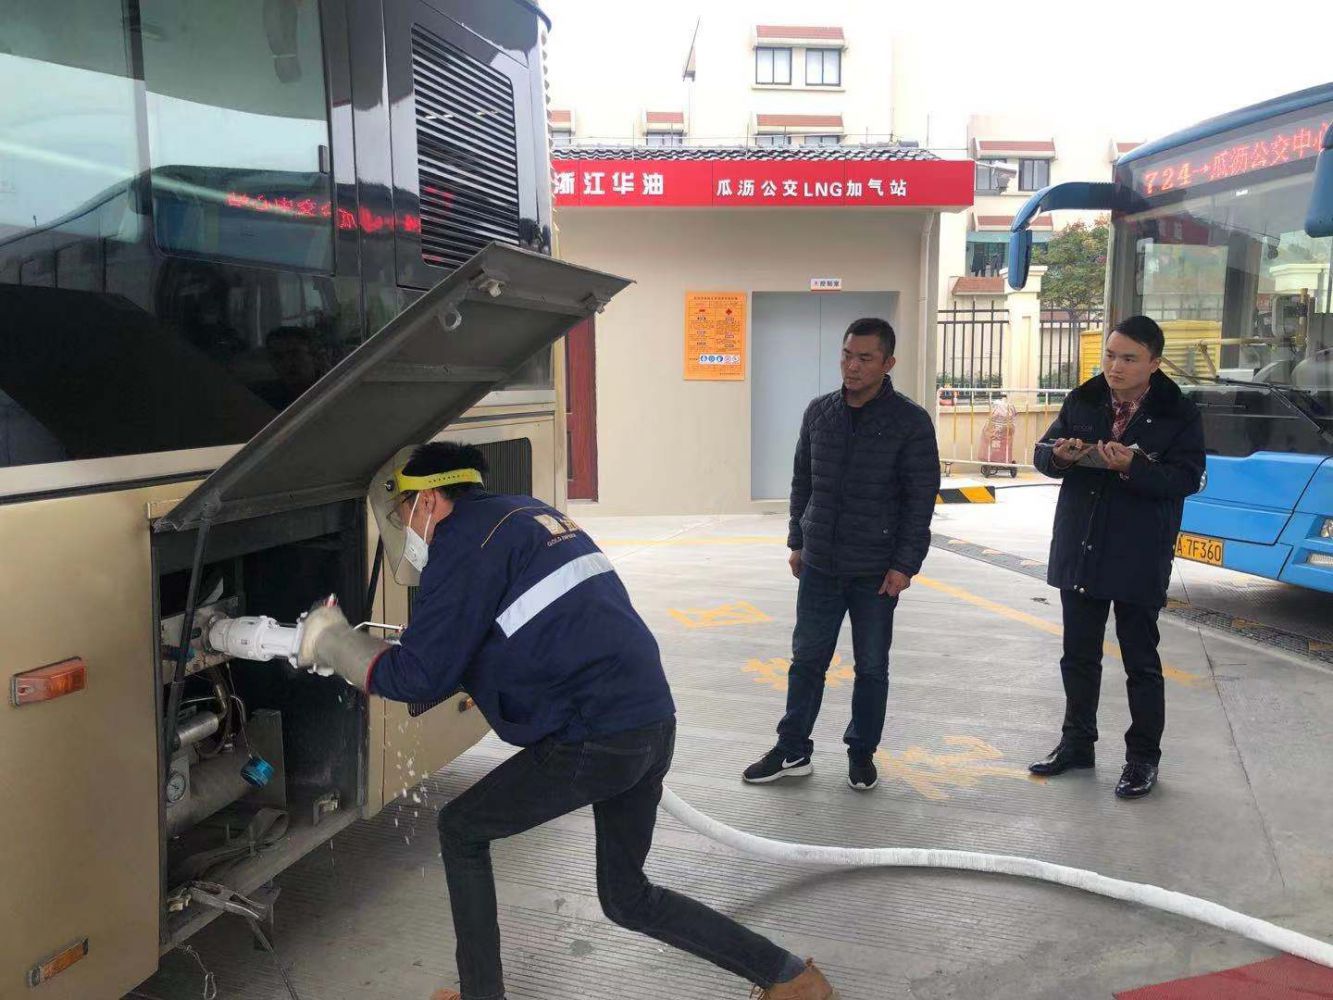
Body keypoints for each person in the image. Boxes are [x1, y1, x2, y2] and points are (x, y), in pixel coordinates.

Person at [295, 441, 838, 1000]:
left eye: (405, 512)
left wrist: (332, 641)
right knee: (626, 897)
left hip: (594, 737)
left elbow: (416, 678)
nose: (407, 528)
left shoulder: (462, 542)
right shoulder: (528, 515)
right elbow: (531, 627)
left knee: (461, 829)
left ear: (429, 500)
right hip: (650, 718)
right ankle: (790, 977)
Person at [743, 318, 940, 792]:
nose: (852, 366)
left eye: (865, 358)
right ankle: (792, 749)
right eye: (847, 355)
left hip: (876, 571)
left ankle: (861, 753)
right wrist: (798, 540)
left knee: (870, 667)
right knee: (806, 660)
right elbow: (802, 481)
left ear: (888, 363)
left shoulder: (910, 422)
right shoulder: (820, 412)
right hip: (821, 564)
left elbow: (919, 500)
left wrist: (904, 565)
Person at [1030, 315, 1205, 799]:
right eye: (1110, 355)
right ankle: (1076, 745)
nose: (1115, 366)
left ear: (1154, 363)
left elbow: (1187, 478)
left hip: (1138, 553)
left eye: (1129, 358)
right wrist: (1060, 456)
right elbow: (1042, 453)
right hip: (1082, 546)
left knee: (1140, 662)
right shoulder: (1084, 398)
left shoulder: (1177, 413)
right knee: (1078, 656)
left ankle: (1142, 759)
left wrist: (1134, 467)